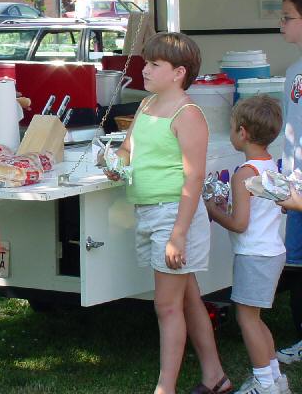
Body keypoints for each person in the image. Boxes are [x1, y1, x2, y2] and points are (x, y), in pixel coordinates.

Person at [104, 32, 231, 394]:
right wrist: (117, 165)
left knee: (167, 306)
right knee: (187, 298)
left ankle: (165, 387)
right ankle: (216, 377)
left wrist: (178, 234)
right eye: (146, 63)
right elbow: (127, 149)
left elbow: (194, 177)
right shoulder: (146, 105)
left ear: (178, 73)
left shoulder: (188, 114)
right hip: (150, 213)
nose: (144, 70)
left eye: (154, 64)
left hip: (174, 216)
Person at [205, 95, 290, 394]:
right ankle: (276, 379)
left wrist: (213, 210)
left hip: (254, 254)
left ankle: (264, 384)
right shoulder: (270, 165)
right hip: (272, 252)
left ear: (242, 132)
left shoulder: (245, 173)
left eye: (231, 128)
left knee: (246, 320)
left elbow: (240, 223)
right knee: (255, 318)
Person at [274, 0, 302, 367]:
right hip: (295, 184)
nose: (281, 24)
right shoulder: (294, 71)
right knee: (296, 264)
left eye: (287, 17)